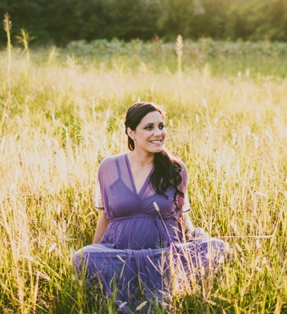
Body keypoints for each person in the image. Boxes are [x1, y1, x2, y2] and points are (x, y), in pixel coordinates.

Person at [73, 102, 230, 313]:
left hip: (164, 255)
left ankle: (161, 293)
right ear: (131, 132)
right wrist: (95, 252)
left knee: (219, 247)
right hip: (121, 254)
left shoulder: (175, 169)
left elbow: (180, 214)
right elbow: (106, 216)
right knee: (82, 257)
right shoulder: (109, 167)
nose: (158, 133)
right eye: (149, 127)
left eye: (161, 126)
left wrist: (194, 236)